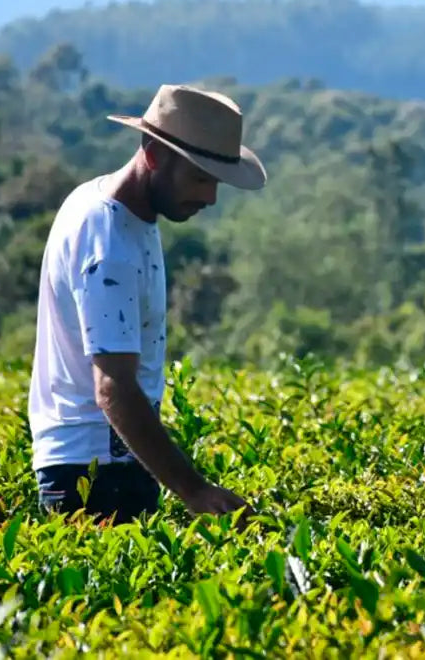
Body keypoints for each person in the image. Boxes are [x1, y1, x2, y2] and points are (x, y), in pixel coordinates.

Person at [28, 84, 267, 526]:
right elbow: (112, 386)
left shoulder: (112, 207)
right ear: (153, 154)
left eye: (213, 180)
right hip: (94, 475)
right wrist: (194, 489)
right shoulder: (109, 240)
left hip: (110, 464)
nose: (210, 197)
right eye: (199, 177)